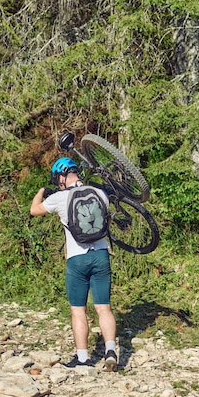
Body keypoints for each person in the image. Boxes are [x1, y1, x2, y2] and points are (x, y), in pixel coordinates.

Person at [30, 156, 118, 371]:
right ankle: (111, 352)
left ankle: (82, 359)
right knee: (103, 308)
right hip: (101, 255)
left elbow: (34, 210)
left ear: (61, 176)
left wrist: (42, 191)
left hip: (77, 259)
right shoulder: (99, 193)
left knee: (78, 311)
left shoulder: (59, 198)